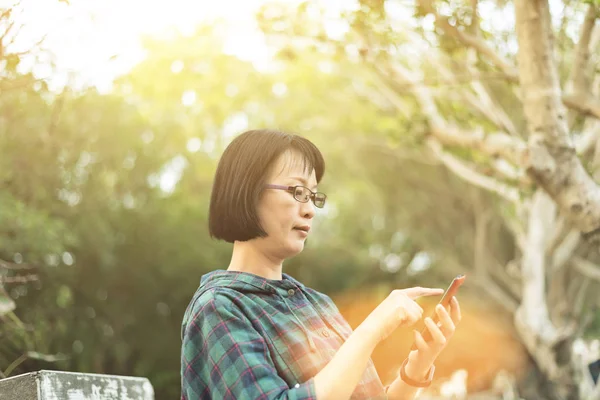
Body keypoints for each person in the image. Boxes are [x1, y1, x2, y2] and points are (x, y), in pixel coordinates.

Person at [180, 129, 462, 399]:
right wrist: (371, 329)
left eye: (313, 196)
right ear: (247, 191)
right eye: (297, 192)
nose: (310, 209)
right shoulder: (219, 307)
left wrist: (417, 368)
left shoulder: (318, 305)